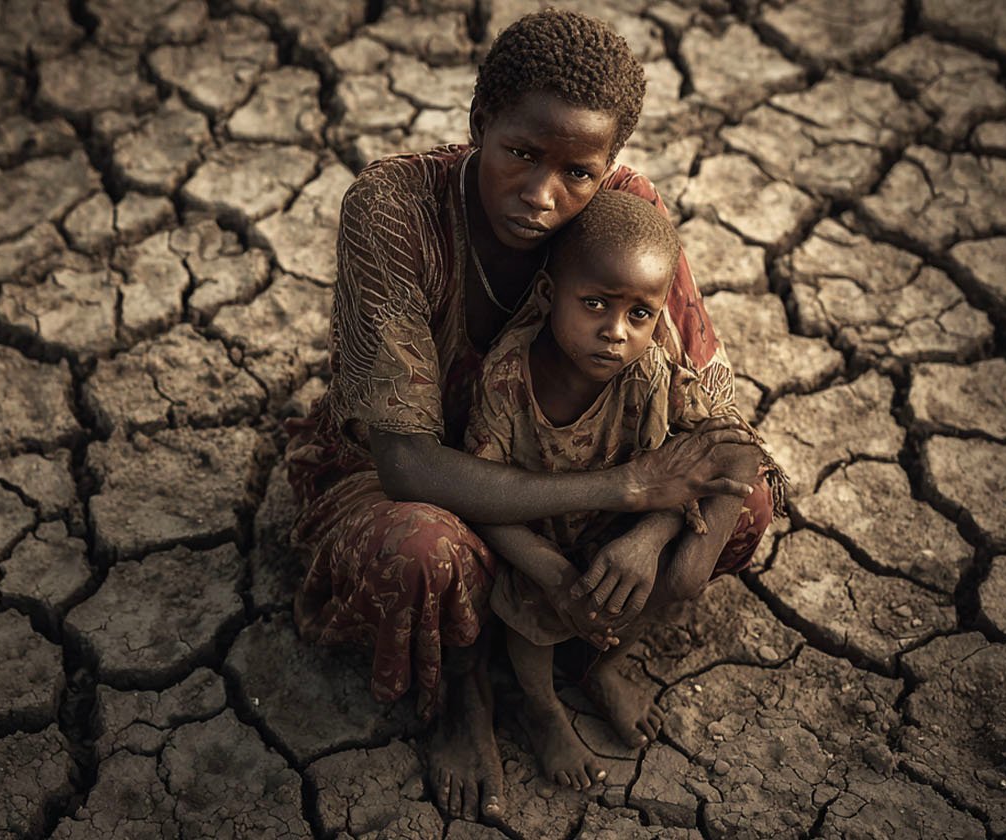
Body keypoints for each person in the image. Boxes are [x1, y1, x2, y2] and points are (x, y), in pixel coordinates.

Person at [282, 8, 774, 821]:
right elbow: (407, 463)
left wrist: (653, 534)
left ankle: (591, 650)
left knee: (744, 507)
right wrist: (625, 491)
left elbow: (720, 422)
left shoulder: (624, 217)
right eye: (519, 154)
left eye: (579, 172)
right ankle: (466, 693)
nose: (545, 196)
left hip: (565, 476)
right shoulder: (395, 211)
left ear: (610, 165)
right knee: (424, 553)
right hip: (413, 479)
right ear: (479, 123)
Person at [465, 189, 784, 792]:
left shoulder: (650, 372)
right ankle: (541, 708)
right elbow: (482, 501)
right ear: (546, 296)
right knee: (533, 617)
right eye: (593, 304)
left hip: (620, 541)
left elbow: (735, 445)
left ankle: (602, 666)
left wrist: (652, 539)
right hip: (540, 548)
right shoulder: (508, 379)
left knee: (668, 574)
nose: (615, 332)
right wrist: (556, 577)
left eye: (640, 314)